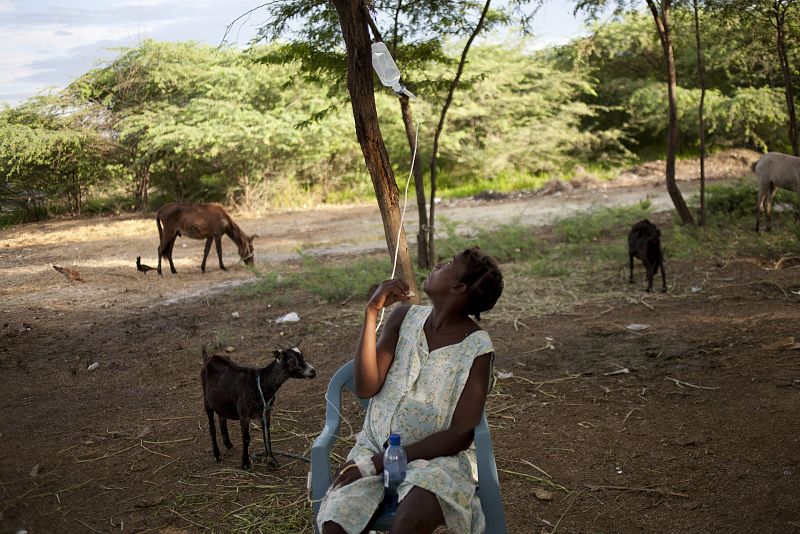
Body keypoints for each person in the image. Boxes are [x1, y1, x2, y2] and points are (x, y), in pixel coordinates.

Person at [317, 246, 504, 534]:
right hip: (374, 447)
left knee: (409, 523)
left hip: (437, 461)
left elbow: (460, 434)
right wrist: (371, 313)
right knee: (335, 523)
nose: (439, 263)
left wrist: (381, 463)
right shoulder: (404, 318)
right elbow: (366, 387)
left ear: (458, 287)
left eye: (449, 264)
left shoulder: (477, 347)